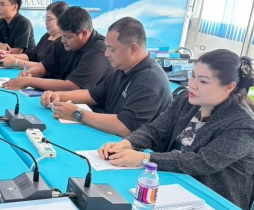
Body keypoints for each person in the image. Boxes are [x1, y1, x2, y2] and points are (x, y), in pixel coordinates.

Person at [98, 49, 254, 210]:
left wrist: (144, 158)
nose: (192, 85)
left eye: (203, 82)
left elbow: (202, 162)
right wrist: (126, 144)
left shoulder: (243, 124)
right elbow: (155, 129)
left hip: (212, 203)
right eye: (193, 76)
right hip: (172, 182)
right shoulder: (186, 100)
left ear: (229, 87)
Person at [40, 17, 172, 136]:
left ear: (133, 49)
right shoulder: (122, 69)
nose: (106, 54)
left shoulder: (149, 80)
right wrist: (57, 95)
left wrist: (77, 113)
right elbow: (92, 95)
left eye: (112, 49)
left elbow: (124, 127)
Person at [2, 6, 111, 91]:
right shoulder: (63, 42)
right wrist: (29, 73)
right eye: (62, 36)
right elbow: (46, 65)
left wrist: (29, 81)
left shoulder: (99, 50)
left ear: (84, 34)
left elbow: (74, 86)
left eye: (67, 37)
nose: (63, 40)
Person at [0, 1, 68, 69]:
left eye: (49, 19)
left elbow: (47, 67)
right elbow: (31, 55)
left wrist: (16, 62)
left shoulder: (63, 42)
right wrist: (7, 56)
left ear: (61, 20)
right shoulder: (47, 36)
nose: (46, 23)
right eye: (46, 19)